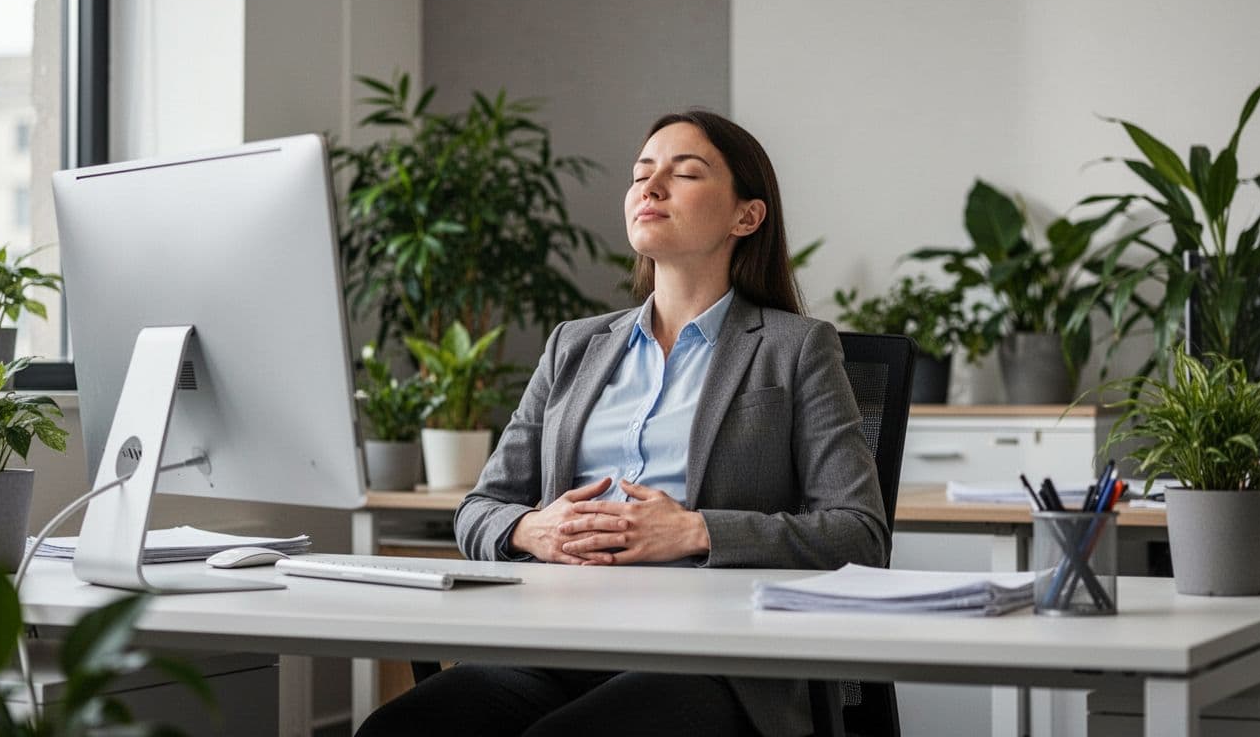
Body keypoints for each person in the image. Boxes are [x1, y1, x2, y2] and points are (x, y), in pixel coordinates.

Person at [355, 110, 889, 737]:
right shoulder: (572, 347)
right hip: (555, 644)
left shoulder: (795, 348)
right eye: (642, 174)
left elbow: (859, 536)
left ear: (747, 216)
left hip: (711, 660)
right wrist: (534, 528)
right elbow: (479, 508)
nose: (651, 187)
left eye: (684, 173)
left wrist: (694, 532)